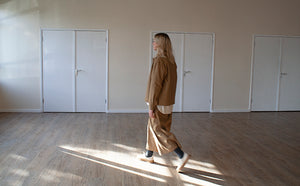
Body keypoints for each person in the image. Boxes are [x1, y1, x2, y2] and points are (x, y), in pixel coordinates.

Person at [138, 33, 190, 173]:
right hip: (168, 103)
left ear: (160, 44)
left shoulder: (160, 61)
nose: (153, 44)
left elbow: (156, 85)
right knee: (153, 127)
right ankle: (149, 155)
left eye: (155, 42)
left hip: (159, 103)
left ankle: (181, 155)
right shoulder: (171, 62)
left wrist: (152, 105)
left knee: (158, 130)